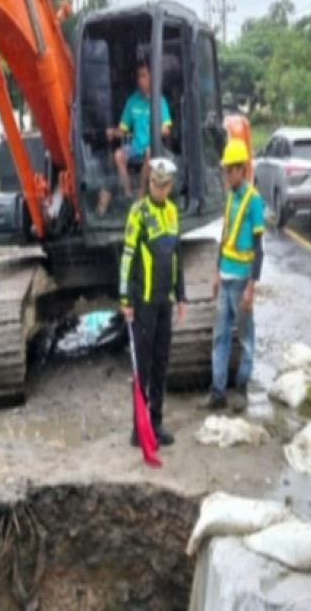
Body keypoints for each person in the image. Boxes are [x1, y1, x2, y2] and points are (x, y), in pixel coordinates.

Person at [119, 157, 187, 448]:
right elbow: (127, 258)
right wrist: (125, 299)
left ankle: (156, 422)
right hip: (143, 303)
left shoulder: (172, 212)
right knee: (143, 368)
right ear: (150, 184)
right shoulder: (138, 213)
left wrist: (181, 295)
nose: (159, 189)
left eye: (164, 185)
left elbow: (177, 258)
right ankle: (139, 428)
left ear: (170, 186)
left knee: (161, 364)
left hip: (165, 301)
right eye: (155, 184)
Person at [200, 138, 264, 414]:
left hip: (241, 280)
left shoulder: (254, 201)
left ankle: (241, 389)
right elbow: (224, 236)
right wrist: (216, 272)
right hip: (225, 276)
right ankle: (218, 391)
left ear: (241, 169)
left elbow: (259, 249)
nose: (226, 174)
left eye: (229, 170)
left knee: (245, 337)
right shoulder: (229, 198)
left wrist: (251, 287)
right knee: (220, 336)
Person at [96, 61, 173, 216]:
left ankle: (141, 193)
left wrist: (159, 129)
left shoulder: (159, 100)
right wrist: (113, 132)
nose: (141, 80)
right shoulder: (132, 101)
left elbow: (167, 129)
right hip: (135, 147)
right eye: (139, 76)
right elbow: (123, 130)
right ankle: (128, 192)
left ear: (151, 77)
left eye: (144, 76)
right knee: (118, 155)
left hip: (154, 148)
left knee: (149, 152)